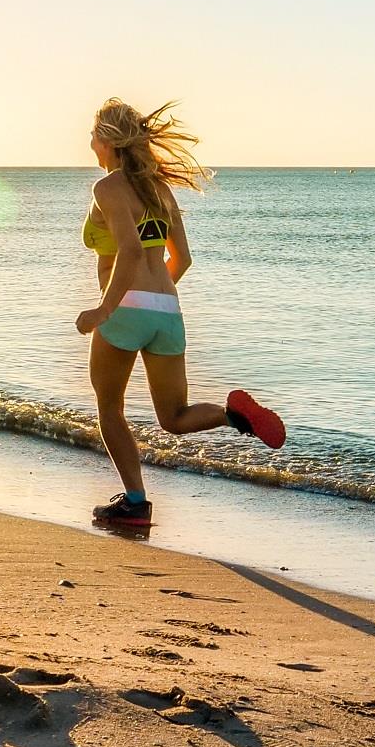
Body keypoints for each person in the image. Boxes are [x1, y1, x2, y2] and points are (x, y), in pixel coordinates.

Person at [73, 98, 284, 527]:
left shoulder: (109, 188)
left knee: (109, 408)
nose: (89, 142)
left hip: (126, 310)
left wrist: (104, 310)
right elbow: (182, 259)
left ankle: (135, 502)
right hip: (167, 311)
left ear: (109, 141)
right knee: (174, 417)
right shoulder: (160, 192)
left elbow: (129, 253)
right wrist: (154, 301)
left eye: (93, 134)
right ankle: (234, 416)